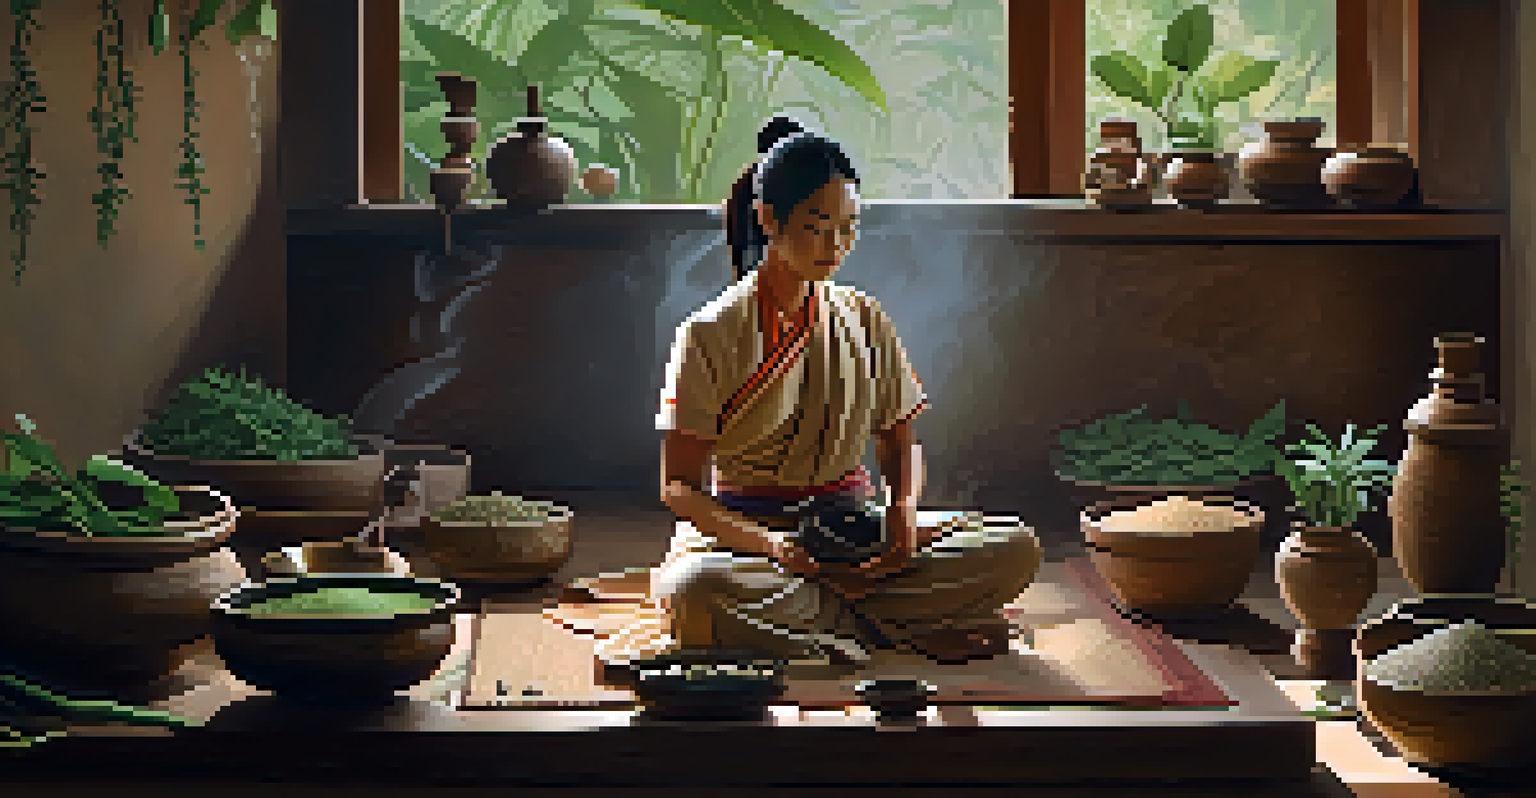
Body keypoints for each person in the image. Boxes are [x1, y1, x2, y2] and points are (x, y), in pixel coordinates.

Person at [607, 130, 1040, 669]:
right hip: (748, 544)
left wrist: (902, 516)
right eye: (816, 228)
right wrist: (772, 547)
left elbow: (899, 441)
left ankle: (833, 628)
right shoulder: (709, 333)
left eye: (848, 228)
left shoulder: (865, 317)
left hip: (856, 533)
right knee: (696, 589)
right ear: (768, 220)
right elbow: (678, 487)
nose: (834, 246)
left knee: (1013, 546)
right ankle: (892, 631)